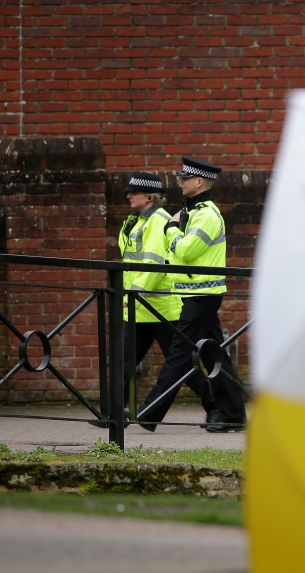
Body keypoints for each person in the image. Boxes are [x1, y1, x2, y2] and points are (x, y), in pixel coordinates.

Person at [137, 157, 246, 433]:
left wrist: (172, 229)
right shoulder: (193, 212)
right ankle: (232, 414)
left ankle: (150, 413)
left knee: (179, 353)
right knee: (213, 355)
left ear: (199, 181)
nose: (179, 182)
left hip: (202, 296)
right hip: (196, 294)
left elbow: (185, 250)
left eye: (185, 178)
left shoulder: (207, 214)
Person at [118, 172, 213, 427]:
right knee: (123, 361)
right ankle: (114, 414)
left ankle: (216, 407)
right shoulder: (134, 220)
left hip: (160, 307)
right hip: (140, 305)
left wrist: (132, 293)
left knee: (183, 366)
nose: (128, 195)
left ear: (149, 196)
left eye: (133, 192)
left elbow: (153, 262)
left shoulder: (159, 220)